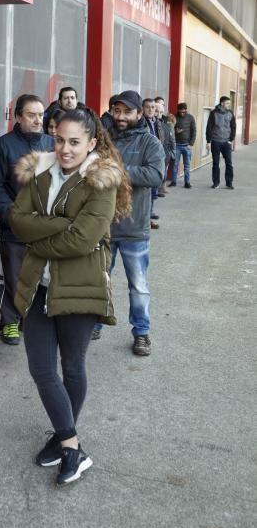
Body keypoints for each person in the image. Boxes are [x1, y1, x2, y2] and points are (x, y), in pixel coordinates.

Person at [9, 108, 131, 484]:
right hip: (38, 287)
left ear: (92, 143)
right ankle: (70, 443)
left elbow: (84, 239)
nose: (64, 149)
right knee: (41, 369)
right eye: (59, 139)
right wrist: (60, 225)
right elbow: (16, 219)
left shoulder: (101, 181)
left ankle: (64, 440)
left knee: (72, 367)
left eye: (75, 142)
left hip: (80, 288)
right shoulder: (39, 172)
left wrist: (38, 234)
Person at [92, 91, 164, 354]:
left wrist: (118, 172)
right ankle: (96, 323)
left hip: (135, 228)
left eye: (127, 112)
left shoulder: (150, 143)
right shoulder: (101, 139)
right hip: (102, 226)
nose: (121, 117)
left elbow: (155, 175)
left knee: (138, 285)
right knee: (99, 279)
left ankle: (142, 332)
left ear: (138, 113)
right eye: (116, 111)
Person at [0, 94, 54, 345]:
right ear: (18, 117)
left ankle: (34, 318)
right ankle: (10, 322)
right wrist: (10, 215)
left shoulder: (53, 143)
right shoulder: (4, 145)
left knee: (45, 276)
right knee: (14, 275)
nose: (37, 120)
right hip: (16, 226)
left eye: (40, 115)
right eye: (31, 115)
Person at [206, 95, 236, 189]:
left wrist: (231, 139)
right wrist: (208, 141)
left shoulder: (230, 113)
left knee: (229, 163)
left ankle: (229, 183)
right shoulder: (214, 113)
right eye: (227, 103)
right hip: (215, 141)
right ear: (222, 103)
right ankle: (216, 182)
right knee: (215, 163)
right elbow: (209, 127)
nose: (228, 105)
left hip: (226, 142)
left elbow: (233, 127)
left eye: (229, 103)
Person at [142, 98, 162, 229]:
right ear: (143, 109)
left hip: (155, 159)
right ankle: (145, 220)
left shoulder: (156, 122)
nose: (151, 109)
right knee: (145, 194)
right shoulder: (142, 123)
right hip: (145, 162)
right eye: (148, 107)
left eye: (153, 107)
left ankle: (148, 217)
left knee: (152, 192)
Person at [169, 102, 196, 188]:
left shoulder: (190, 117)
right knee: (175, 164)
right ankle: (173, 181)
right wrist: (176, 131)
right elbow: (170, 130)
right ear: (178, 110)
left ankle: (187, 182)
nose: (182, 113)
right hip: (177, 144)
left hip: (186, 145)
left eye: (184, 111)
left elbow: (194, 131)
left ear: (186, 110)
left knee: (187, 165)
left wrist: (191, 143)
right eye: (181, 111)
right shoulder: (174, 117)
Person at [154, 96, 176, 195]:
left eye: (161, 111)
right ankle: (157, 189)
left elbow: (170, 136)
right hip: (157, 153)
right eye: (157, 111)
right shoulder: (152, 123)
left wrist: (171, 151)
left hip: (166, 152)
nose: (159, 114)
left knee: (164, 170)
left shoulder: (166, 121)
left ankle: (162, 187)